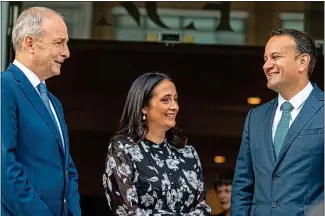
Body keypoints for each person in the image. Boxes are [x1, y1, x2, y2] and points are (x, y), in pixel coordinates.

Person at [231, 28, 323, 216]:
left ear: (302, 61)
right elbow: (243, 185)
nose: (267, 66)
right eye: (265, 59)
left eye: (276, 57)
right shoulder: (255, 117)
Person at [1, 7, 81, 216]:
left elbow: (67, 167)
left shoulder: (53, 103)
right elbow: (4, 168)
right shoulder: (5, 88)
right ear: (30, 44)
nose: (66, 52)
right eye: (59, 42)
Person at [102, 72, 211, 215]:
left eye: (175, 99)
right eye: (166, 100)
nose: (175, 106)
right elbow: (126, 210)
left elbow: (202, 207)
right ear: (143, 106)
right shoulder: (122, 149)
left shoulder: (188, 153)